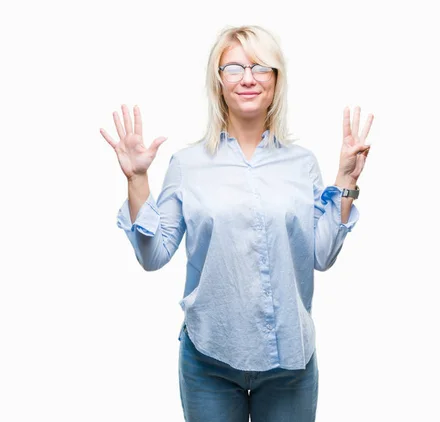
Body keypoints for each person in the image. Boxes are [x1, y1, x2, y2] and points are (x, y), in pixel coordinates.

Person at [99, 24, 374, 422]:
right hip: (209, 359)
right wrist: (137, 180)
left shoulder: (302, 164)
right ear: (219, 83)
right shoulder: (188, 164)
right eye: (234, 68)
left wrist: (346, 180)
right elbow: (153, 255)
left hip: (290, 363)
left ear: (276, 81)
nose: (248, 78)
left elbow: (322, 255)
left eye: (260, 67)